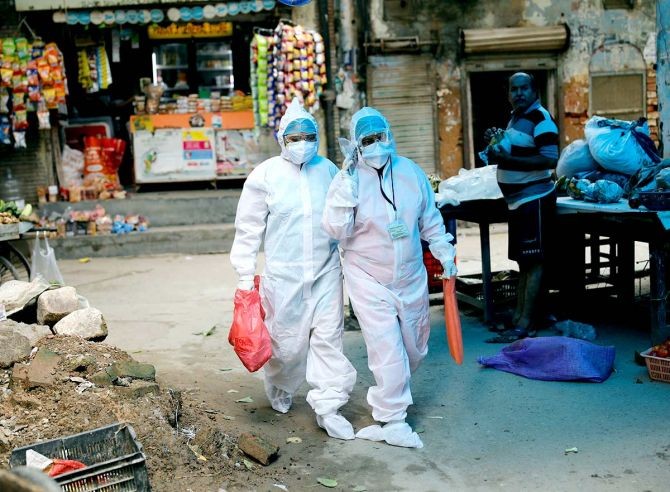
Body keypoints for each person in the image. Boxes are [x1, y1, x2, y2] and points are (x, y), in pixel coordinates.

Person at [322, 107, 457, 448]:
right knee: (389, 351)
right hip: (367, 277)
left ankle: (391, 398)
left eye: (380, 137)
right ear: (355, 145)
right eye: (367, 140)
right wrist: (346, 190)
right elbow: (335, 229)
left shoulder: (411, 173)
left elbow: (429, 218)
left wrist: (444, 251)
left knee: (415, 348)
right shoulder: (348, 180)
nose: (376, 145)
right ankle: (391, 419)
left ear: (390, 135)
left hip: (410, 276)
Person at [229, 99, 357, 440]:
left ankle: (328, 403)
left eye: (308, 136)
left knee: (329, 339)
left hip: (326, 270)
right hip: (283, 275)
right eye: (294, 137)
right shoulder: (265, 175)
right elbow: (248, 226)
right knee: (286, 345)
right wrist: (245, 275)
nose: (302, 143)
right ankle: (281, 387)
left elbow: (342, 217)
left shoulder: (328, 169)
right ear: (281, 139)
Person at [484, 72, 559, 343]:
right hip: (518, 202)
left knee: (534, 261)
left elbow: (550, 160)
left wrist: (509, 159)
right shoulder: (516, 117)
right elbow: (510, 153)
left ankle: (525, 324)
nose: (519, 93)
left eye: (524, 88)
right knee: (524, 261)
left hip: (534, 199)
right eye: (514, 89)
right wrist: (496, 147)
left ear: (534, 91)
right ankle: (519, 317)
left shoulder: (541, 119)